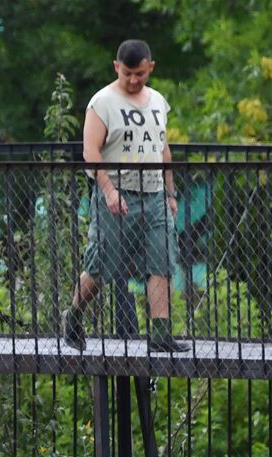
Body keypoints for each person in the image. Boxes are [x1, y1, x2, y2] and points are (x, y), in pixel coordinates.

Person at [62, 39, 187, 353]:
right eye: (128, 73)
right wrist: (108, 189)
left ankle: (160, 334)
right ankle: (73, 315)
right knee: (102, 263)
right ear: (117, 67)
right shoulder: (101, 102)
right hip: (117, 192)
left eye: (140, 74)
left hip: (155, 191)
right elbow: (90, 150)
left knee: (162, 259)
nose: (134, 80)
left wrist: (170, 191)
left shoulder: (158, 101)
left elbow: (163, 147)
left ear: (150, 68)